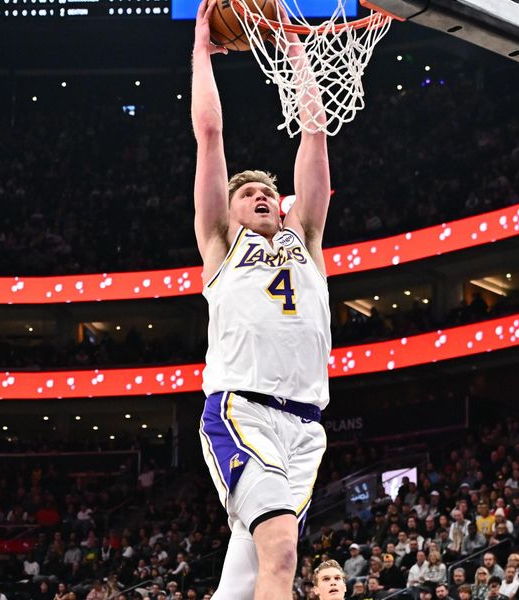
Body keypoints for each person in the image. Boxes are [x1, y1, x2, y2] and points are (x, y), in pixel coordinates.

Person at [192, 0, 332, 595]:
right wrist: (201, 49)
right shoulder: (221, 245)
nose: (253, 194)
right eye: (242, 191)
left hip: (305, 427)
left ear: (281, 205)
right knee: (280, 554)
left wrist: (296, 46)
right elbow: (210, 134)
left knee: (250, 576)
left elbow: (315, 133)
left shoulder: (307, 236)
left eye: (262, 191)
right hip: (241, 410)